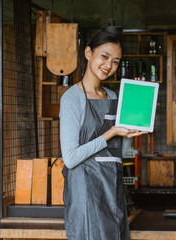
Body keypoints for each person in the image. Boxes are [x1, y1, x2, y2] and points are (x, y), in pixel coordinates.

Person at [59, 31, 147, 240]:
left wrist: (133, 105)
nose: (109, 65)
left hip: (112, 190)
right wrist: (111, 132)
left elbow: (119, 152)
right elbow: (70, 159)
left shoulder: (114, 97)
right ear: (88, 53)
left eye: (116, 61)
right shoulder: (72, 98)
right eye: (105, 57)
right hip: (86, 194)